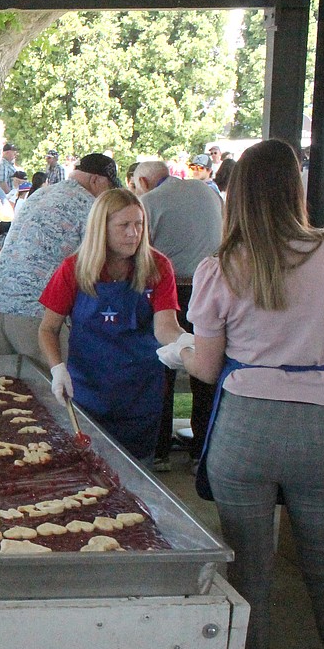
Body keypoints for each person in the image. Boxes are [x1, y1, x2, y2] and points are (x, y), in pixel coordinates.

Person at [157, 139, 324, 649]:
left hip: (245, 431)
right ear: (297, 188)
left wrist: (176, 348)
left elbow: (209, 367)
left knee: (250, 576)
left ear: (236, 194)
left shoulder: (220, 267)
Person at [39, 189, 182, 462]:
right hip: (87, 389)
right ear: (101, 228)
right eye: (124, 226)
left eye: (139, 224)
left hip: (140, 389)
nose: (133, 233)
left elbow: (166, 327)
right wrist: (57, 369)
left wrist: (186, 343)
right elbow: (48, 328)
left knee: (139, 472)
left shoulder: (158, 266)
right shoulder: (73, 269)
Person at [0, 153, 121, 364]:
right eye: (109, 188)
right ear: (96, 180)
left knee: (2, 389)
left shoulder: (40, 194)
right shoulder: (90, 206)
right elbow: (98, 265)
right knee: (50, 390)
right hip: (33, 312)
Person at [133, 159, 223, 463]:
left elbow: (140, 252)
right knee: (207, 373)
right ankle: (203, 452)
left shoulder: (148, 202)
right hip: (212, 287)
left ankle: (158, 452)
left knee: (163, 369)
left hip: (172, 290)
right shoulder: (206, 190)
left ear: (143, 183)